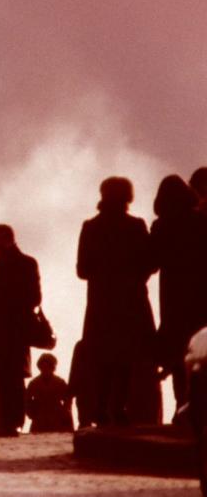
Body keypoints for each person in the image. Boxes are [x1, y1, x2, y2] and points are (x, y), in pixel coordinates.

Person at [77, 177, 155, 427]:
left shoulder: (91, 227)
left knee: (101, 358)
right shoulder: (135, 226)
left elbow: (82, 269)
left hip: (101, 303)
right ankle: (118, 407)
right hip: (130, 301)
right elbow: (149, 262)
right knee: (125, 357)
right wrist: (133, 278)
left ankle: (100, 407)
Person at [149, 175, 207, 417]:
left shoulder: (161, 226)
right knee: (199, 348)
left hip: (173, 293)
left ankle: (181, 402)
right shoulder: (201, 220)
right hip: (200, 290)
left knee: (177, 349)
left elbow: (151, 262)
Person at [0, 224, 41, 437]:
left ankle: (12, 422)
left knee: (11, 379)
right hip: (3, 330)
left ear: (8, 239)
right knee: (7, 378)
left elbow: (34, 298)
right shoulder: (1, 267)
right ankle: (10, 422)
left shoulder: (22, 264)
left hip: (10, 329)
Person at [25, 353, 73, 433]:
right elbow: (27, 400)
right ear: (40, 367)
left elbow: (68, 399)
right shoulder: (34, 383)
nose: (46, 368)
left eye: (49, 366)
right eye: (43, 366)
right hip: (39, 419)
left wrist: (64, 413)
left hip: (57, 419)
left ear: (53, 367)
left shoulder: (60, 382)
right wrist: (31, 413)